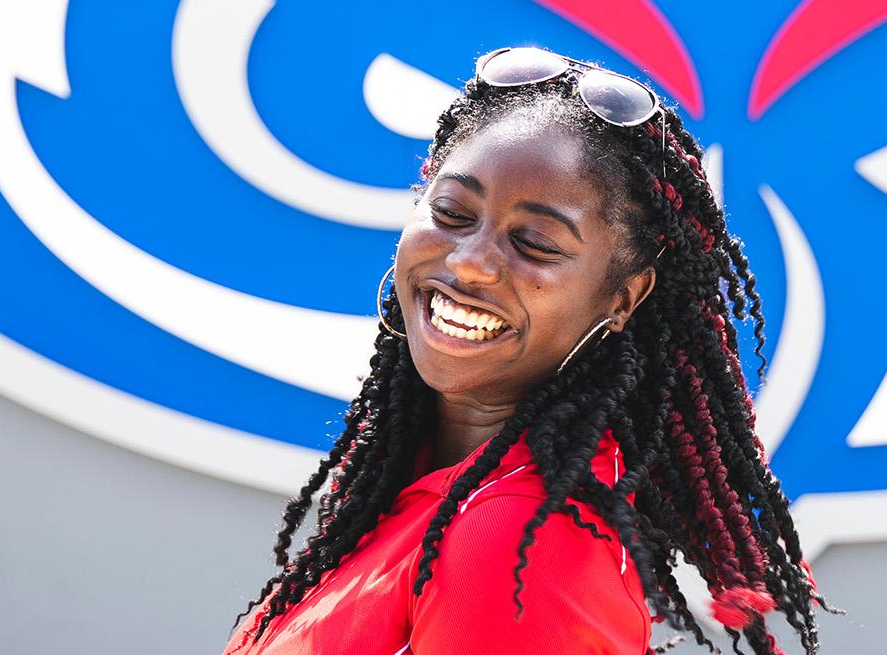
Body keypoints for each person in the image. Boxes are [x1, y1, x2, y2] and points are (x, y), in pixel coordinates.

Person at [223, 46, 838, 655]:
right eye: (451, 212)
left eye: (536, 244)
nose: (468, 263)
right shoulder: (426, 488)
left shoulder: (516, 540)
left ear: (622, 298)